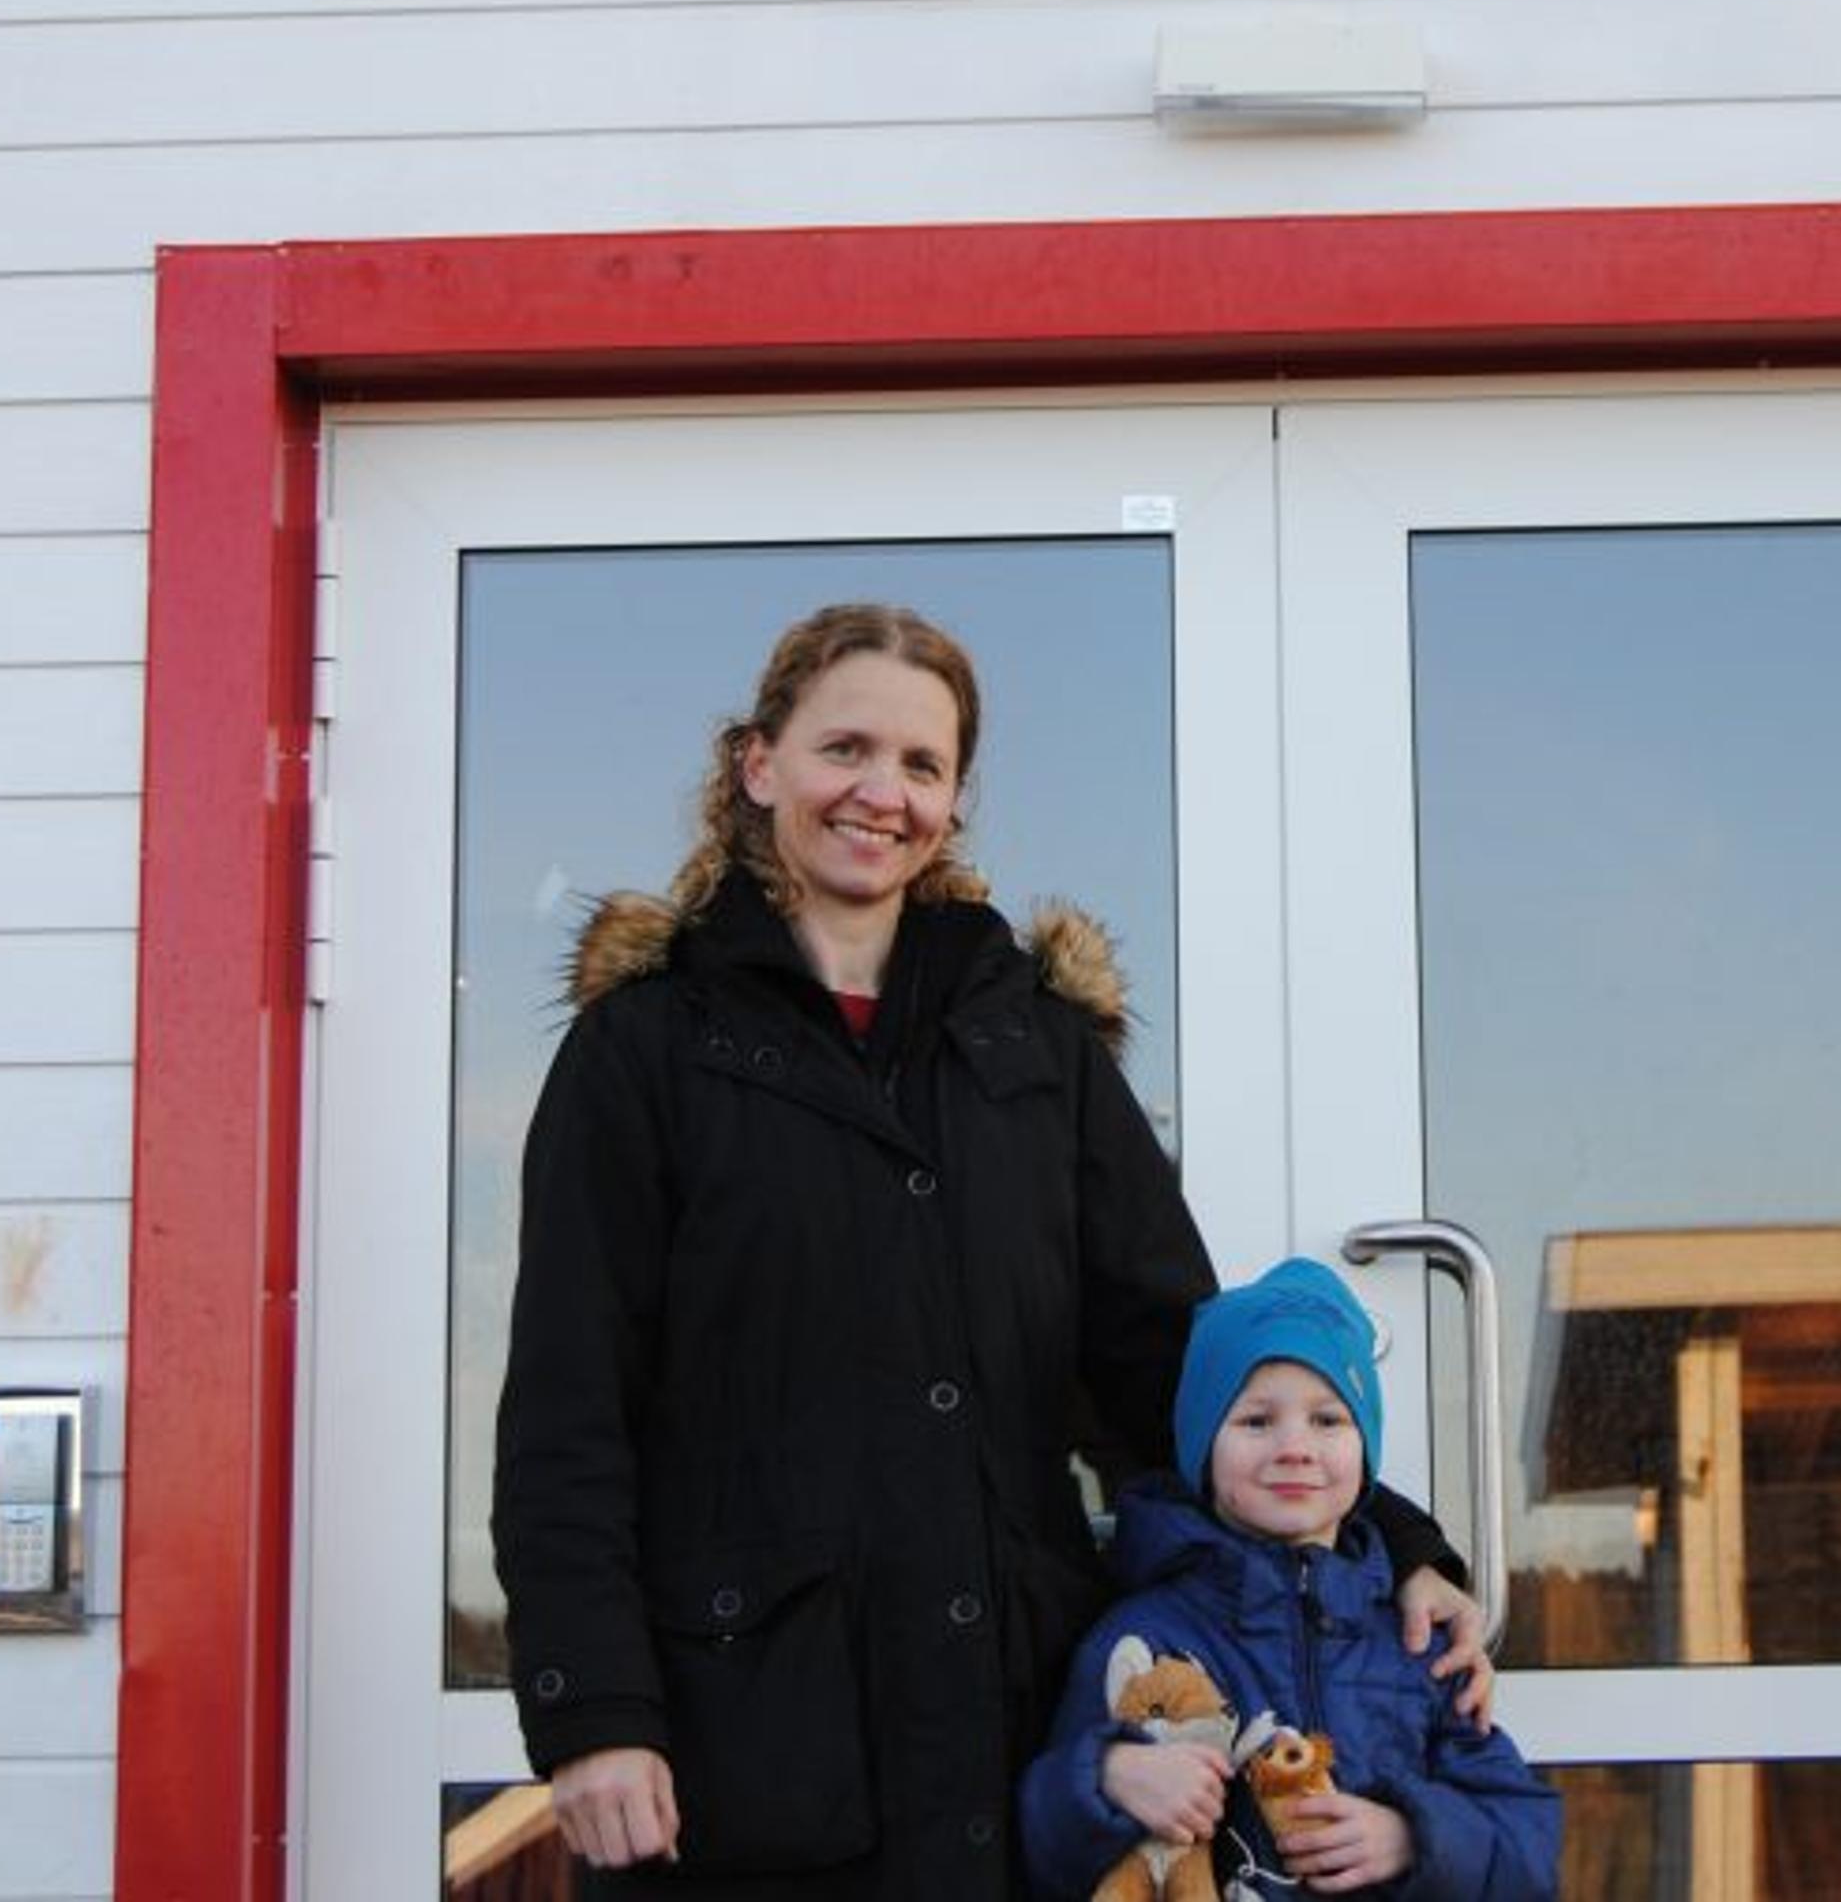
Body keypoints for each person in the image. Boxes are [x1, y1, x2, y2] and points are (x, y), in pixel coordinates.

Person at [493, 603, 1488, 1899]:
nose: (882, 793)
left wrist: (1396, 1540)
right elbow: (569, 1413)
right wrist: (592, 1710)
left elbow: (1173, 1374)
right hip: (745, 1740)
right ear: (759, 764)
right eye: (846, 748)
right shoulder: (645, 1051)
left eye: (922, 764)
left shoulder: (1035, 1048)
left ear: (955, 801)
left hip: (1015, 1728)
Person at [1021, 1259, 1562, 1899]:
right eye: (1256, 1421)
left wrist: (1414, 1837)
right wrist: (1110, 1776)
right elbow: (1043, 1850)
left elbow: (1529, 1851)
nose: (1294, 1447)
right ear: (1203, 1450)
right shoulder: (1143, 1637)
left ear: (1364, 1449)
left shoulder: (1419, 1645)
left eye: (1327, 1420)